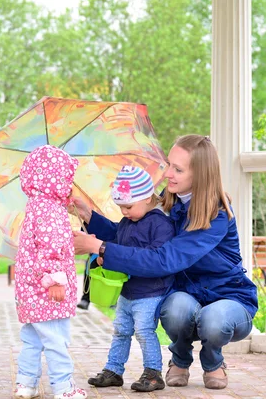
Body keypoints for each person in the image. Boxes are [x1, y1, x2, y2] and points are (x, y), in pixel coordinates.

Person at [70, 135, 258, 390]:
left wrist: (99, 247)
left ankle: (213, 362)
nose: (167, 173)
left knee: (212, 320)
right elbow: (130, 236)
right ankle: (180, 357)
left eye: (178, 169)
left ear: (200, 175)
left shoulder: (217, 215)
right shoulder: (169, 200)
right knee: (174, 307)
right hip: (188, 294)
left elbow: (165, 260)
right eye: (169, 164)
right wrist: (89, 216)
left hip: (228, 297)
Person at [86, 165, 176, 392]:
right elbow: (117, 246)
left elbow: (154, 258)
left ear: (147, 198)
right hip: (127, 291)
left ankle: (153, 372)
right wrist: (104, 256)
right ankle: (113, 370)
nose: (124, 212)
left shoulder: (160, 224)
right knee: (121, 330)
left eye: (128, 206)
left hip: (150, 292)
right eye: (121, 207)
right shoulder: (127, 222)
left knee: (144, 331)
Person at [13, 145, 87, 399]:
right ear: (55, 179)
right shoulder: (51, 210)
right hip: (48, 291)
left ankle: (26, 384)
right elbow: (51, 247)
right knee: (56, 338)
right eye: (67, 177)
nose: (70, 182)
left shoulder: (35, 205)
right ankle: (63, 387)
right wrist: (55, 280)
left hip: (30, 291)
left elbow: (44, 244)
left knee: (33, 338)